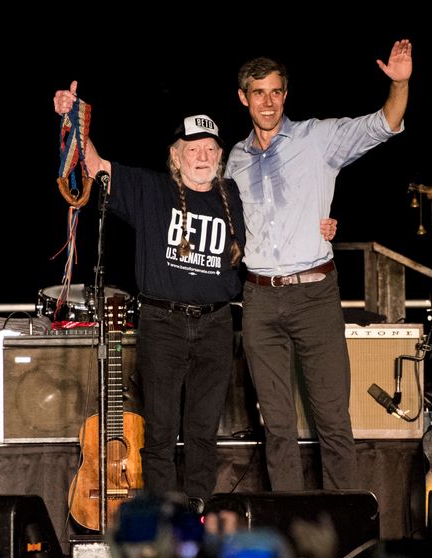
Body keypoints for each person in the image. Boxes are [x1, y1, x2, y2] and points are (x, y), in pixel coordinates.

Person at [53, 83, 337, 511]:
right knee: (162, 431)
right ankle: (166, 517)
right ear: (176, 155)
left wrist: (323, 223)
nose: (201, 156)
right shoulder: (150, 191)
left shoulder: (235, 198)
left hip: (217, 324)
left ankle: (199, 508)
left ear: (220, 156)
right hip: (162, 324)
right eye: (192, 148)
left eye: (209, 148)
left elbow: (283, 215)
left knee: (204, 430)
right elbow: (92, 164)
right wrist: (72, 118)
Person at [224, 40, 412, 491]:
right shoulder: (233, 159)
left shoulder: (317, 138)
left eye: (275, 92)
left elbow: (384, 123)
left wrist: (400, 84)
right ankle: (291, 527)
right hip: (260, 300)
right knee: (277, 426)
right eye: (258, 93)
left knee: (332, 418)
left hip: (314, 296)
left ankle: (342, 526)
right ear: (243, 97)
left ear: (285, 95)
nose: (267, 102)